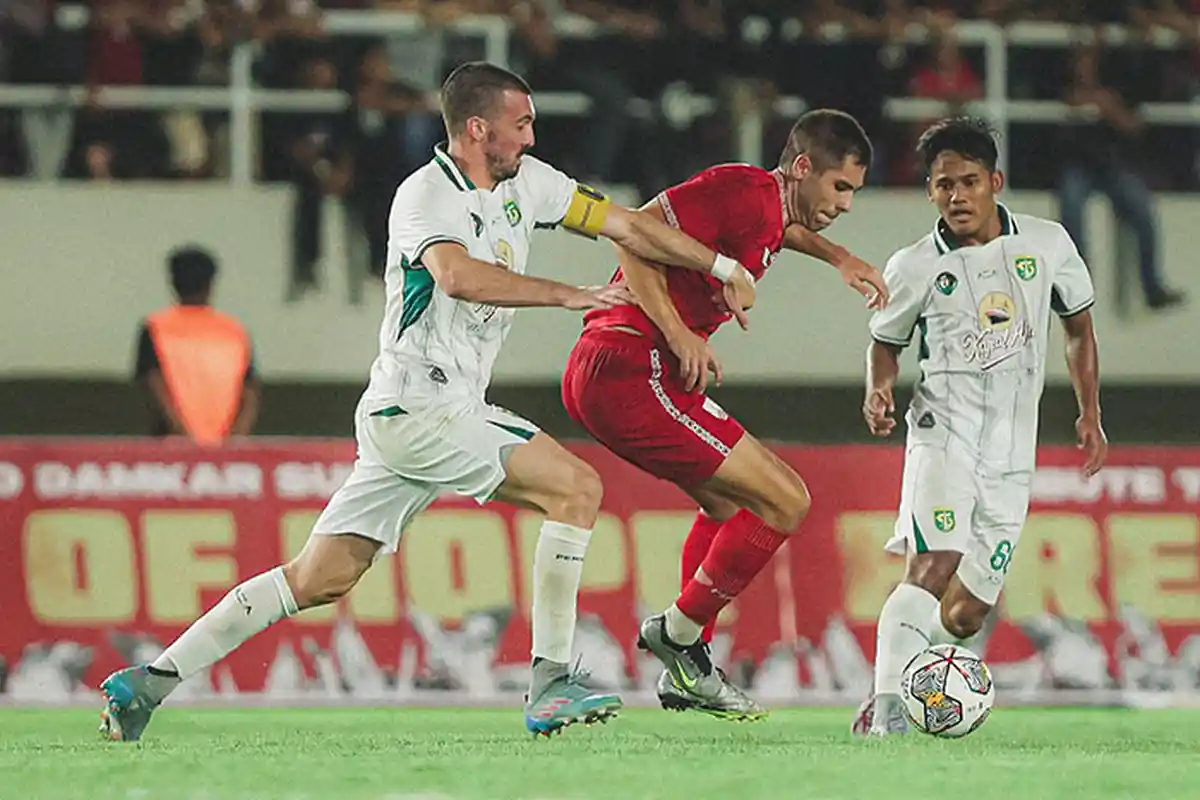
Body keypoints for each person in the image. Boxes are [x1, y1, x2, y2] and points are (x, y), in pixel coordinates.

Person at [98, 61, 758, 742]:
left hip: (413, 414)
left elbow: (627, 226)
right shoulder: (424, 196)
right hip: (423, 406)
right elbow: (457, 275)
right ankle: (551, 681)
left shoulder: (531, 186)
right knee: (576, 489)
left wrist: (720, 266)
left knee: (318, 577)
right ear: (478, 129)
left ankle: (147, 683)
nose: (531, 138)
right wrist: (568, 294)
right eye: (520, 124)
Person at [561, 109, 888, 720]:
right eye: (840, 187)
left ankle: (690, 660)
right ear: (800, 168)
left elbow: (780, 231)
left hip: (634, 368)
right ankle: (679, 635)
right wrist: (679, 331)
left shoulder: (769, 212)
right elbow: (632, 233)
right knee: (787, 500)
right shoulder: (741, 187)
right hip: (632, 365)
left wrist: (839, 256)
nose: (845, 203)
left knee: (731, 508)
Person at [852, 117, 1107, 737]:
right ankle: (885, 708)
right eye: (943, 186)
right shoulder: (913, 266)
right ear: (930, 192)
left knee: (964, 615)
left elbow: (1078, 328)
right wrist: (880, 387)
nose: (957, 196)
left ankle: (914, 676)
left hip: (1011, 454)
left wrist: (1090, 411)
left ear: (995, 181)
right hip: (944, 437)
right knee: (932, 564)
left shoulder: (1047, 245)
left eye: (968, 182)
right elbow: (885, 343)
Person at [133, 246, 260, 445]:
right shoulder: (235, 331)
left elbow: (154, 384)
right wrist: (236, 438)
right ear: (211, 284)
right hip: (225, 448)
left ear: (173, 282)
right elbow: (250, 393)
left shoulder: (155, 327)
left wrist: (184, 436)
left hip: (172, 445)